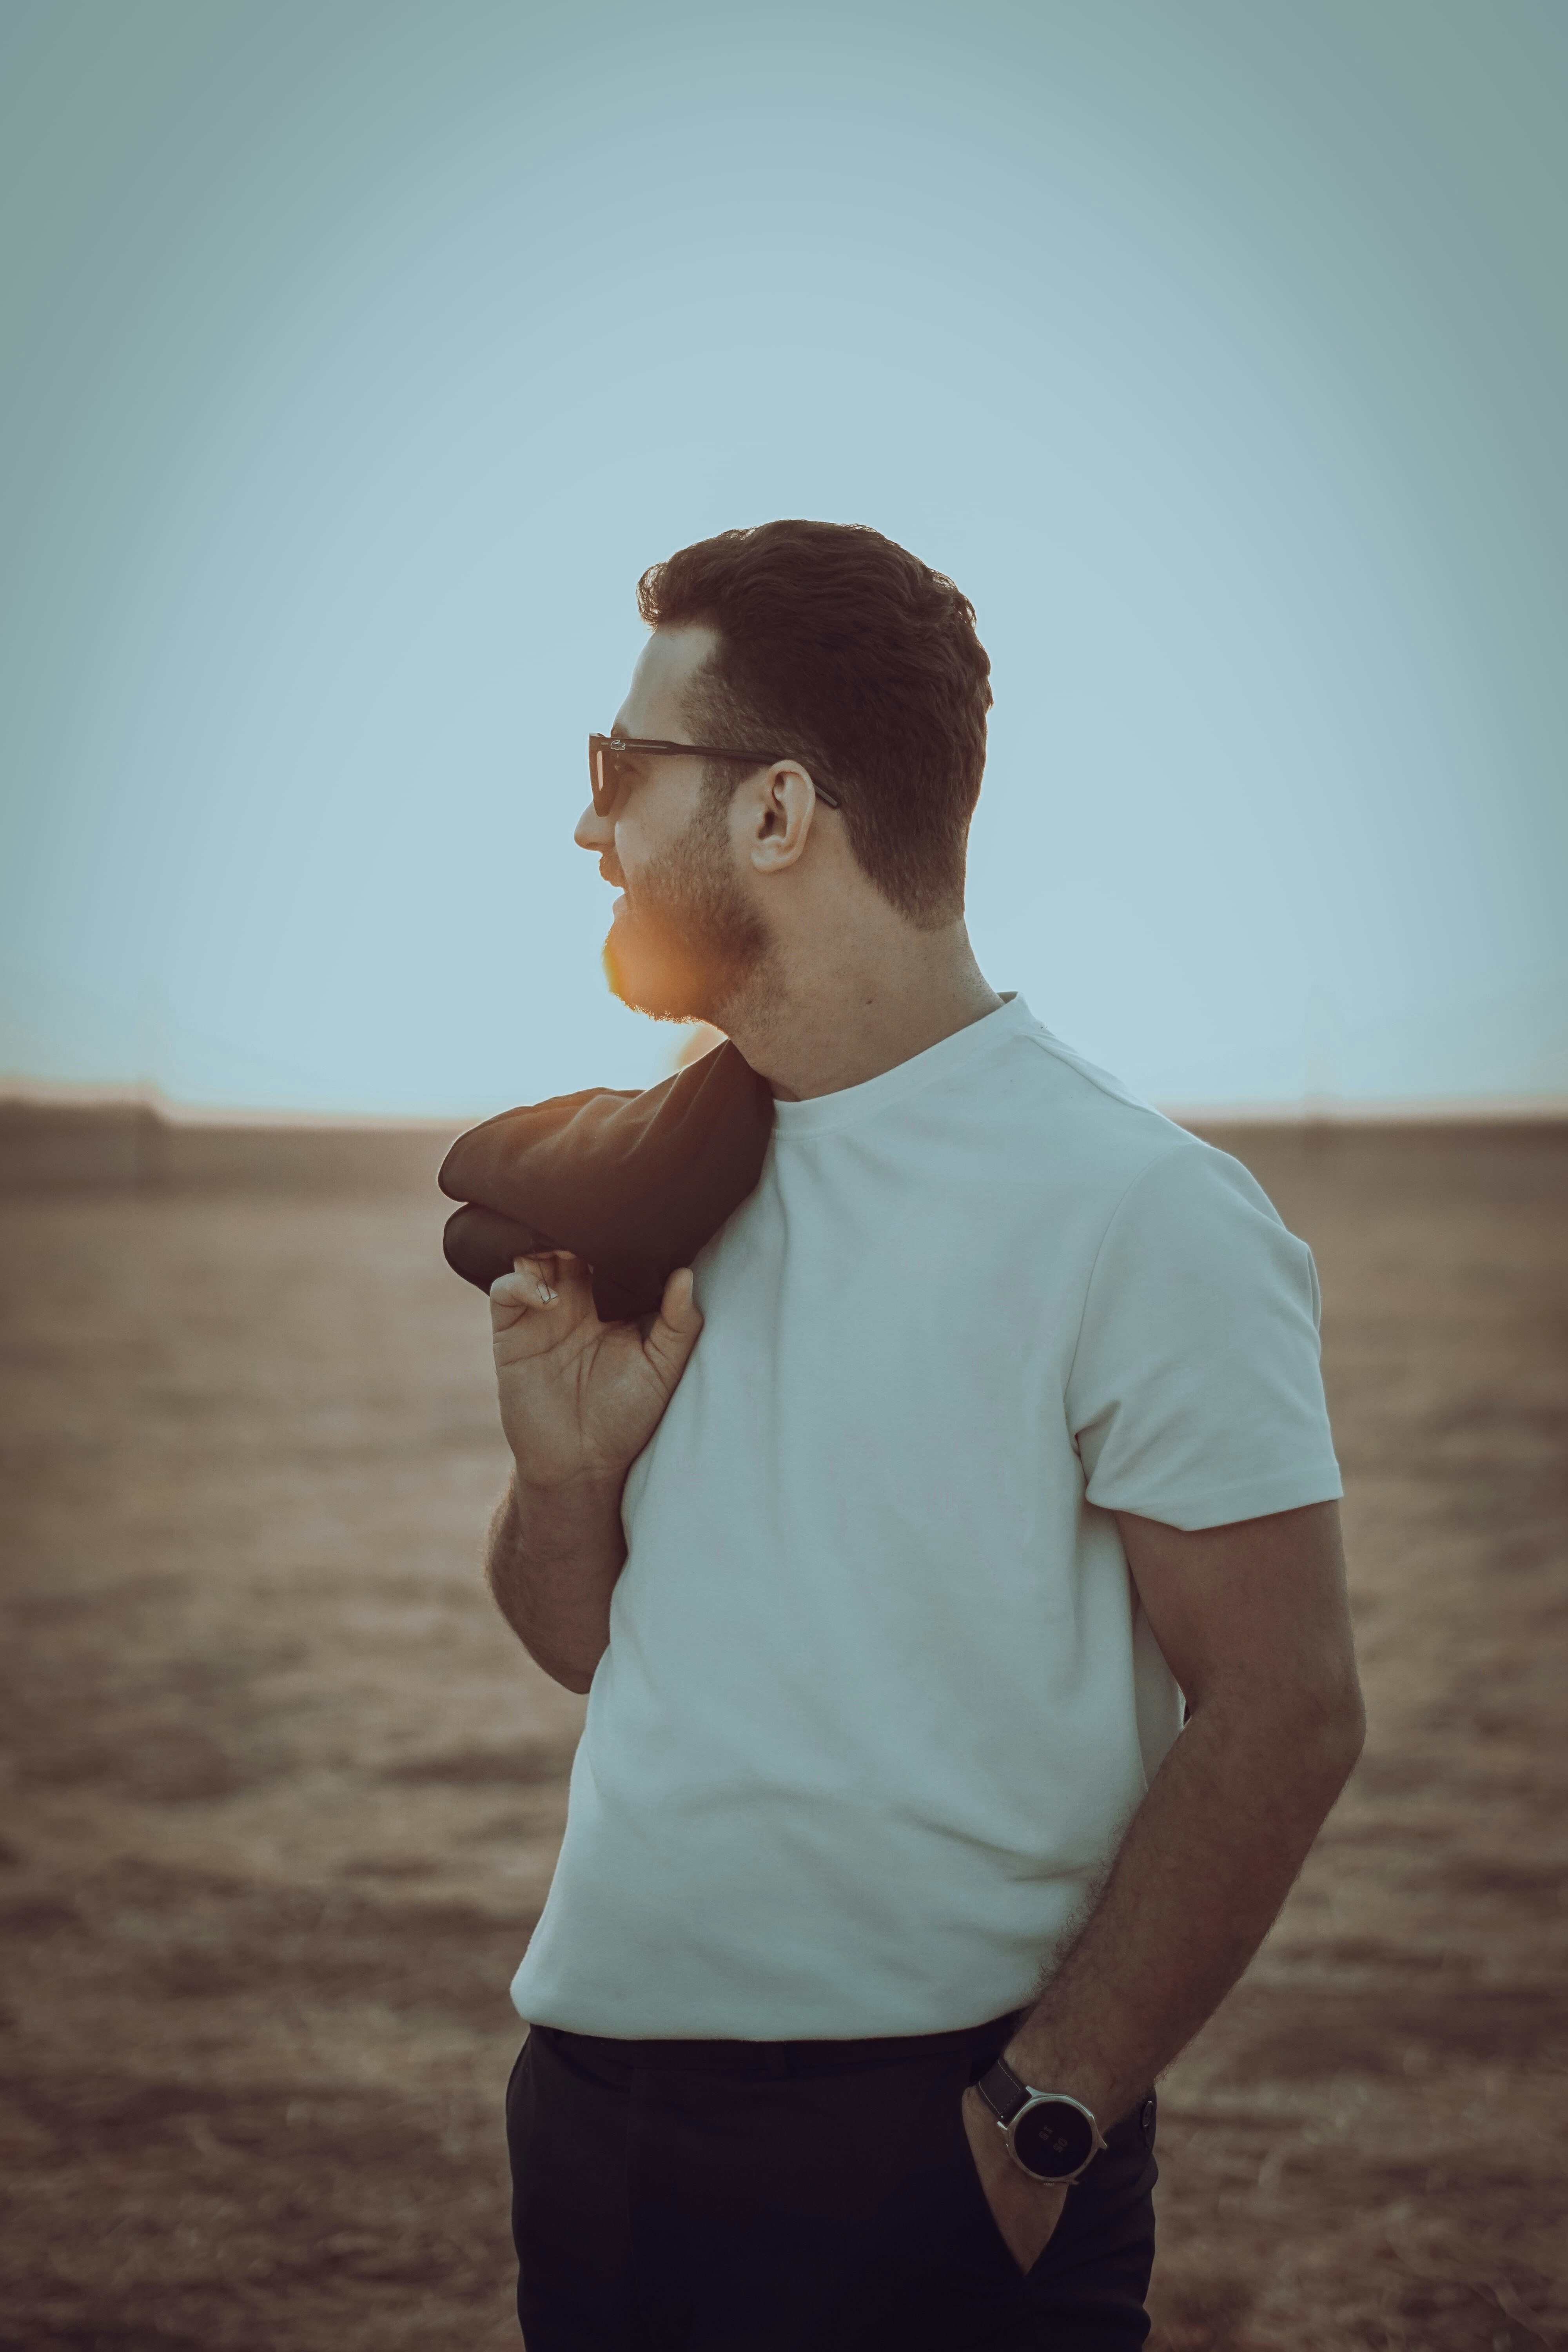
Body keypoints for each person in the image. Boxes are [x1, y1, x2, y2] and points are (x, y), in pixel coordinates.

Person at [478, 519, 1364, 2349]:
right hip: (593, 2119)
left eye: (622, 771)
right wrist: (563, 1475)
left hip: (935, 2161)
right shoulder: (664, 1178)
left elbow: (1288, 1708)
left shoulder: (1140, 1212)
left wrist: (1040, 2122)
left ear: (779, 813)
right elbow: (588, 1644)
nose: (589, 827)